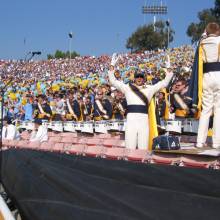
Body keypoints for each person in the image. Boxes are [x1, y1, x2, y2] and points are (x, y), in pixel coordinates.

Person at [108, 53, 173, 149]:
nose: (139, 78)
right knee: (130, 146)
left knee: (143, 147)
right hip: (131, 119)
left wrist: (169, 69)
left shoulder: (150, 89)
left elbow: (165, 83)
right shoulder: (127, 88)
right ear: (134, 79)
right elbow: (113, 81)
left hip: (143, 119)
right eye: (137, 77)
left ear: (144, 79)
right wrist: (112, 66)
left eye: (141, 77)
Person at [196, 22, 220, 148]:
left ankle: (200, 141)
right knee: (218, 110)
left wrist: (205, 34)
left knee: (206, 111)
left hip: (206, 77)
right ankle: (216, 142)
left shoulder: (202, 42)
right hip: (219, 76)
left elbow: (202, 37)